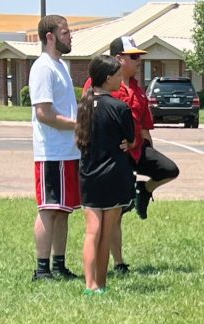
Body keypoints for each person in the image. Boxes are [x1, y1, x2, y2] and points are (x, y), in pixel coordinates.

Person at [84, 36, 181, 272]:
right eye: (134, 57)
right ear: (118, 59)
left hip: (138, 150)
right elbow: (89, 119)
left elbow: (145, 124)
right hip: (114, 156)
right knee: (115, 212)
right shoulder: (97, 85)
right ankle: (117, 263)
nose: (139, 61)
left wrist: (146, 144)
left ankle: (144, 190)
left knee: (169, 169)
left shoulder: (137, 88)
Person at [28, 15, 82, 282]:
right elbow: (43, 113)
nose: (70, 36)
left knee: (64, 210)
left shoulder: (61, 66)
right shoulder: (43, 67)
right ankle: (42, 269)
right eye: (65, 32)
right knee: (49, 209)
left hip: (68, 152)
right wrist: (78, 125)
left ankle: (59, 265)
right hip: (51, 153)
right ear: (50, 36)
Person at [77, 56, 135, 294]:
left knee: (92, 231)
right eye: (118, 76)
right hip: (113, 174)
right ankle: (101, 284)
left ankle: (88, 285)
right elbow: (130, 140)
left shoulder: (84, 105)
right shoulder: (120, 107)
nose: (121, 81)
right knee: (106, 232)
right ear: (108, 78)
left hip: (89, 174)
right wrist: (127, 144)